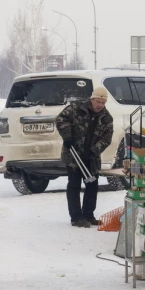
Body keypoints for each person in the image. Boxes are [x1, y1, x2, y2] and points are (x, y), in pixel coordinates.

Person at [56, 86, 113, 228]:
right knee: (74, 185)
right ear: (92, 99)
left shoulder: (106, 118)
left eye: (103, 102)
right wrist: (67, 137)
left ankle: (88, 215)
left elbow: (107, 138)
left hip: (91, 158)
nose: (100, 105)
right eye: (98, 101)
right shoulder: (76, 108)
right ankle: (76, 217)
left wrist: (94, 151)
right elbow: (60, 119)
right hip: (74, 155)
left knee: (92, 186)